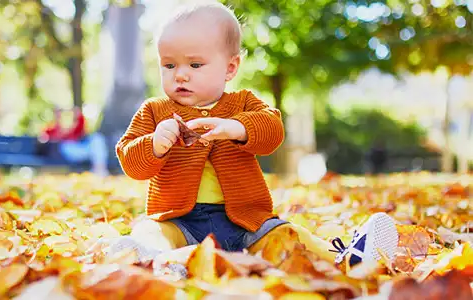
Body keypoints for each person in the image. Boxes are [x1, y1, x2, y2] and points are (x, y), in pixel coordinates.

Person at [113, 3, 399, 272]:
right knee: (149, 231)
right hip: (177, 220)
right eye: (169, 65)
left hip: (246, 221)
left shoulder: (244, 103)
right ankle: (156, 262)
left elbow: (272, 131)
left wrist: (237, 128)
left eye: (195, 65)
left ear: (230, 68)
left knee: (286, 235)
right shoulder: (154, 111)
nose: (181, 76)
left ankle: (348, 259)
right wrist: (153, 145)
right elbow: (131, 161)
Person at [40, 107, 109, 177]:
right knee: (68, 146)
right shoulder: (51, 129)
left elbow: (81, 126)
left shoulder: (73, 127)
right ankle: (99, 172)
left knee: (97, 138)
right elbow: (43, 141)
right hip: (66, 150)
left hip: (80, 148)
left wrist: (76, 113)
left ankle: (99, 170)